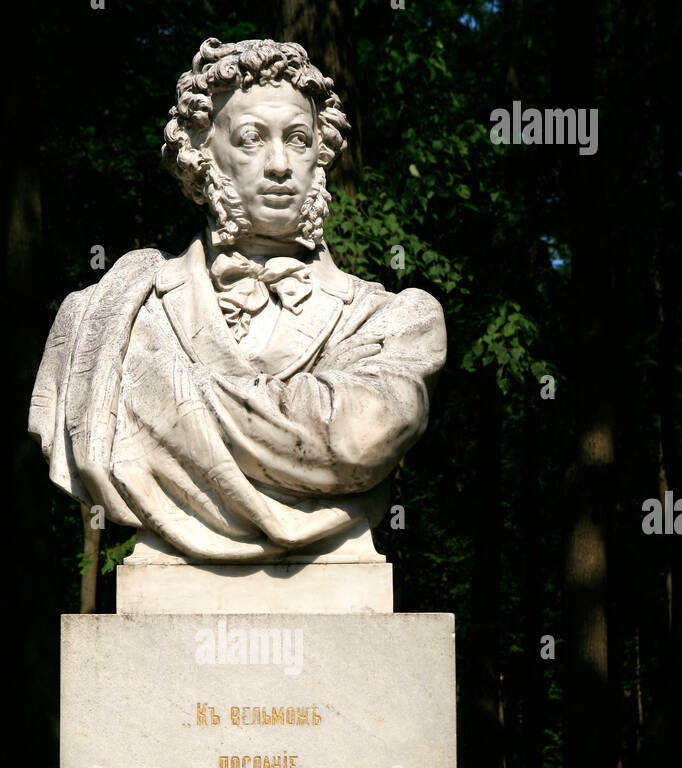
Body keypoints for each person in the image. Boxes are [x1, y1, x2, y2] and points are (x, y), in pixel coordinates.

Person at [29, 36, 446, 562]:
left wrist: (166, 394)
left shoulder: (395, 321)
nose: (279, 165)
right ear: (201, 154)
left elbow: (359, 440)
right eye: (251, 138)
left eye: (298, 138)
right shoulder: (116, 320)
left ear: (321, 153)